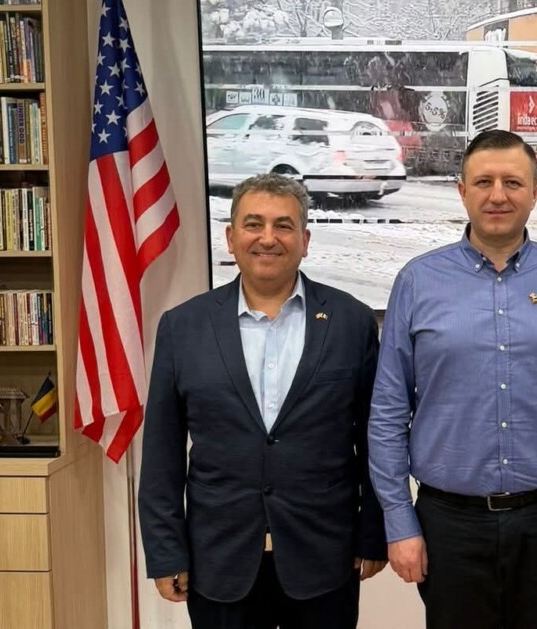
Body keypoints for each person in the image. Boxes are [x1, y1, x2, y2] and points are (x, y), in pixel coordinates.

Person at [369, 129, 537, 629]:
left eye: (513, 182)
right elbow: (388, 411)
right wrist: (398, 520)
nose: (498, 195)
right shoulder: (418, 281)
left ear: (535, 192)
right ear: (462, 191)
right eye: (484, 182)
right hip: (449, 525)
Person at [139, 173, 388, 629]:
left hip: (325, 559)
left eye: (284, 226)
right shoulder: (183, 327)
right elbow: (161, 452)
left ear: (305, 241)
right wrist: (165, 549)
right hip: (219, 562)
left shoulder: (351, 321)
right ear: (231, 238)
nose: (268, 238)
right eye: (254, 224)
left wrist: (374, 533)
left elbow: (374, 441)